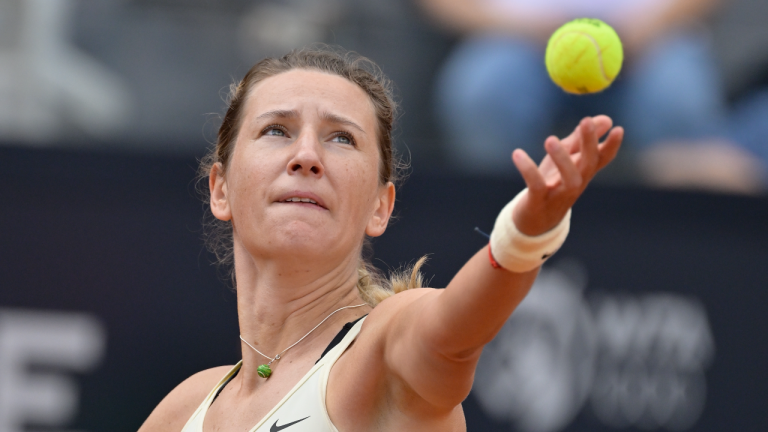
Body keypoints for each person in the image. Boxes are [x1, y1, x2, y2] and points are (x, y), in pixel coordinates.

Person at [137, 47, 623, 432]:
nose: (306, 155)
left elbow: (452, 335)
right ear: (221, 189)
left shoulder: (384, 349)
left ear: (380, 206)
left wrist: (523, 235)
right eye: (277, 130)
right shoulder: (183, 412)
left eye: (341, 138)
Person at [420, 0, 765, 192]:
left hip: (657, 38)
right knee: (481, 95)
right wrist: (521, 27)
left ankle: (679, 249)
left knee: (677, 101)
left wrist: (654, 26)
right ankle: (500, 239)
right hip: (515, 37)